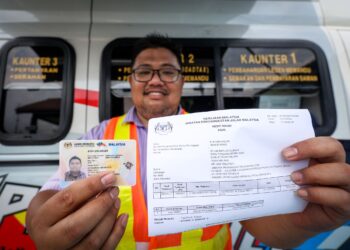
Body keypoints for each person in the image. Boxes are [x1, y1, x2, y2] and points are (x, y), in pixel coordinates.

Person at [26, 33, 350, 249]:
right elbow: (53, 194)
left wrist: (309, 224)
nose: (155, 80)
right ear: (131, 81)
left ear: (181, 82)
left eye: (168, 71)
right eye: (144, 71)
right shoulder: (98, 136)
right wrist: (42, 220)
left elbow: (264, 227)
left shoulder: (215, 136)